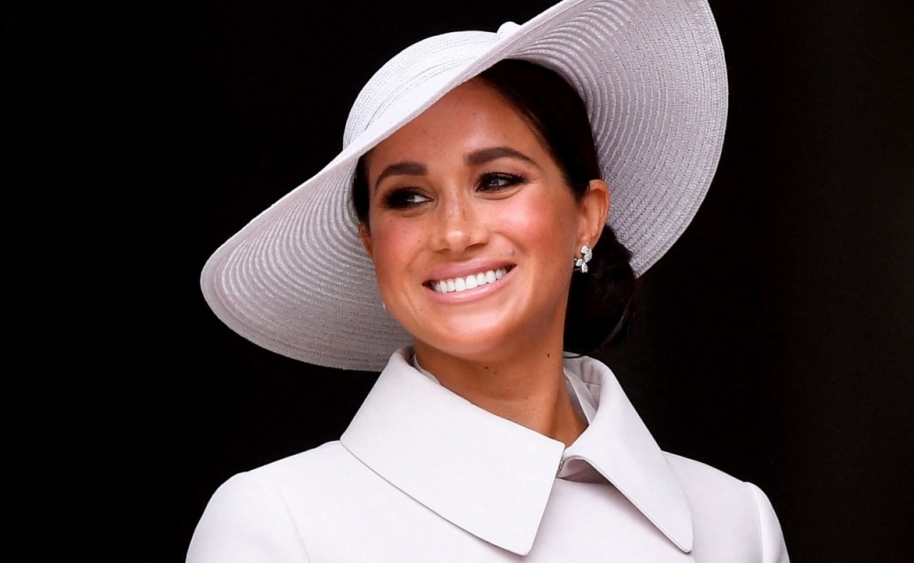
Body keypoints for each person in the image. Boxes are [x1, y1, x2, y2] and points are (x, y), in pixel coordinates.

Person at [188, 0, 790, 560]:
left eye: (497, 181)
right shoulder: (278, 525)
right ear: (372, 245)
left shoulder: (735, 525)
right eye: (408, 196)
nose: (455, 233)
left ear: (587, 216)